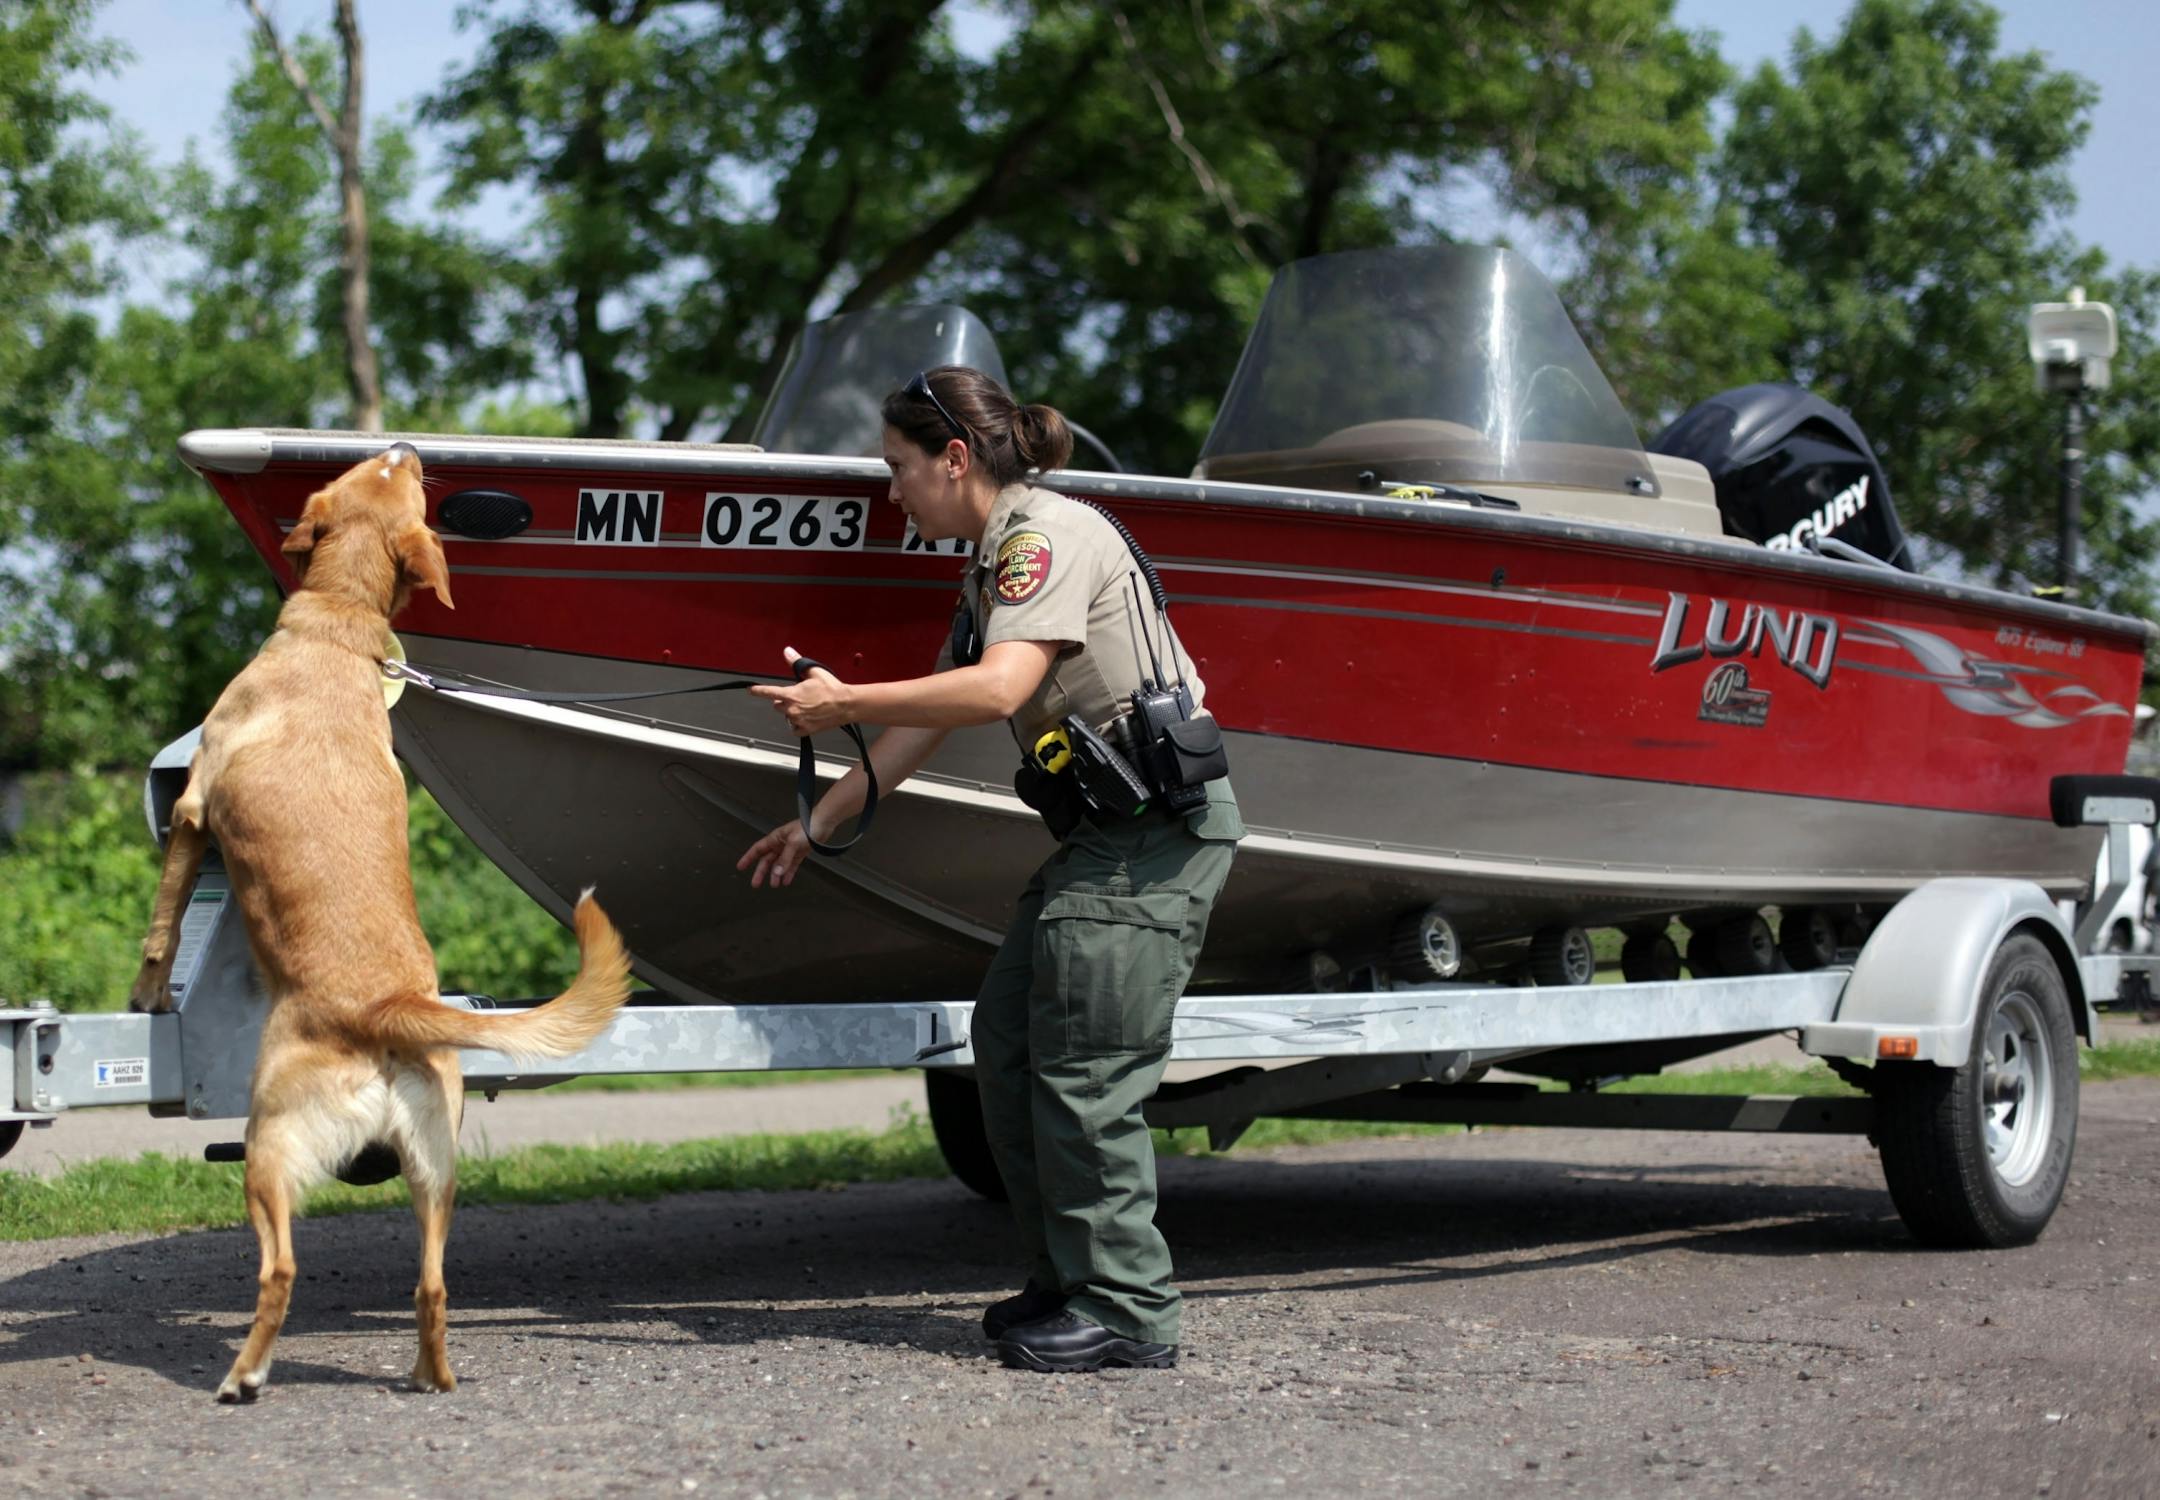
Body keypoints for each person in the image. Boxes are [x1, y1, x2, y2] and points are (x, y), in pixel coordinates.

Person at [736, 364, 1243, 1373]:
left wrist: (843, 704)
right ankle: (1068, 1279)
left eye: (897, 469)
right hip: (1106, 843)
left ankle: (1131, 1309)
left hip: (1152, 843)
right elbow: (927, 722)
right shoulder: (991, 563)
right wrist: (817, 824)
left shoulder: (1038, 538)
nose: (891, 493)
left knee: (1085, 1072)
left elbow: (997, 687)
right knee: (1007, 1040)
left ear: (954, 458)